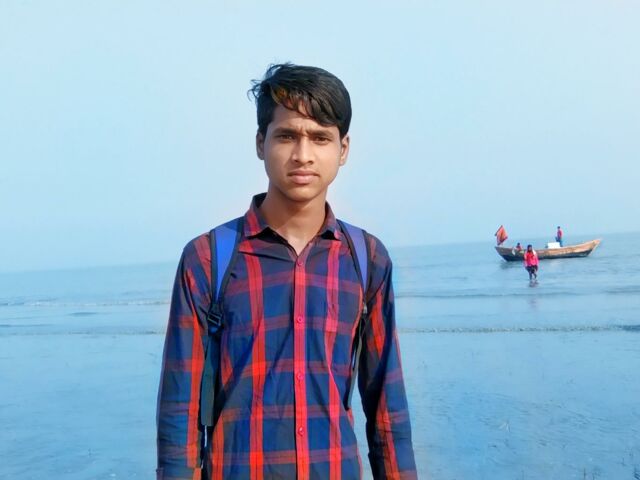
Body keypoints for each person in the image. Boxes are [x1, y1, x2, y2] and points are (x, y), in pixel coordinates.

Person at [156, 63, 417, 479]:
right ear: (261, 143)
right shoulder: (208, 260)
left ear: (343, 149)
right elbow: (178, 413)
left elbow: (388, 409)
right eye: (287, 135)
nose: (303, 155)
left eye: (320, 138)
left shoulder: (366, 259)